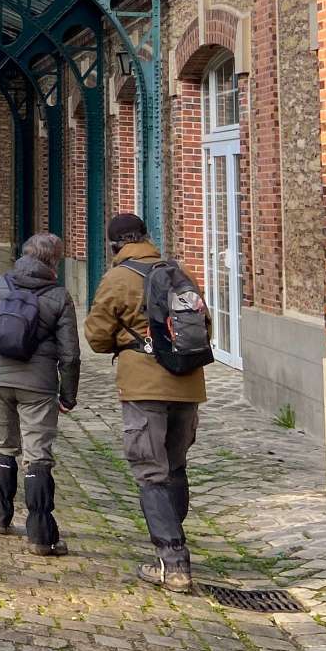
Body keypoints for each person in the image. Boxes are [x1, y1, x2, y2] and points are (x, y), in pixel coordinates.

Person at [84, 211, 208, 593]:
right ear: (147, 236)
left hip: (144, 386)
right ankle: (172, 547)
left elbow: (96, 336)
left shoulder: (118, 279)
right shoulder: (180, 272)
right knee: (176, 467)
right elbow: (204, 325)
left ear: (114, 245)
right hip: (187, 383)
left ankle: (174, 564)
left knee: (151, 472)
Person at [0, 232, 79, 556]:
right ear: (54, 261)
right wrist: (68, 395)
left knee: (3, 446)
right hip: (38, 386)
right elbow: (70, 354)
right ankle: (42, 536)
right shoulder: (59, 296)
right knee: (37, 455)